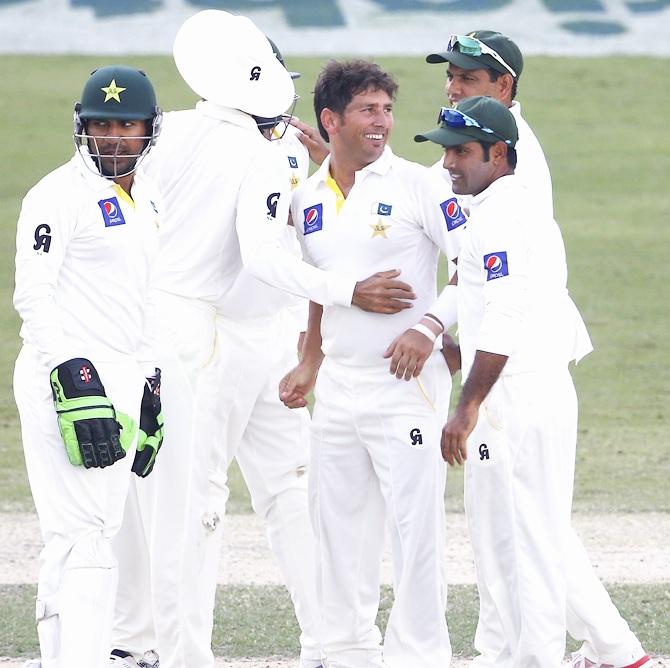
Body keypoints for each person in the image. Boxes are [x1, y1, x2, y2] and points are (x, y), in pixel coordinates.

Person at [109, 12, 418, 668]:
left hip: (254, 339)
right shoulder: (250, 146)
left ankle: (326, 645)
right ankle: (174, 648)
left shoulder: (171, 133)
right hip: (212, 343)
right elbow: (269, 250)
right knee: (204, 503)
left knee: (282, 494)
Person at [421, 31, 654, 668]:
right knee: (518, 530)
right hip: (516, 377)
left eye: (467, 76)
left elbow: (505, 306)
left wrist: (465, 402)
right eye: (451, 75)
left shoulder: (508, 188)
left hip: (516, 380)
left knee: (525, 535)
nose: (453, 83)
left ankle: (537, 656)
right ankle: (595, 651)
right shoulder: (488, 171)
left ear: (503, 88)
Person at [279, 59, 466, 668]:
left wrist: (430, 326)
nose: (381, 121)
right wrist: (309, 362)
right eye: (367, 110)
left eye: (386, 108)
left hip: (405, 386)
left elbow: (475, 266)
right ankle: (346, 649)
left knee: (415, 532)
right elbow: (315, 285)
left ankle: (418, 656)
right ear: (330, 119)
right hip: (337, 387)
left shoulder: (420, 184)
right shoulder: (307, 198)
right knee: (335, 528)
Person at [13, 64, 163, 668]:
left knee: (99, 532)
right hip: (67, 381)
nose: (113, 137)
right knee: (83, 538)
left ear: (149, 130)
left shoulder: (149, 195)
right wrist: (71, 372)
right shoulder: (56, 195)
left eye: (126, 124)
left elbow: (144, 297)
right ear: (82, 127)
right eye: (101, 124)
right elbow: (33, 294)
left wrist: (151, 383)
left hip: (124, 381)